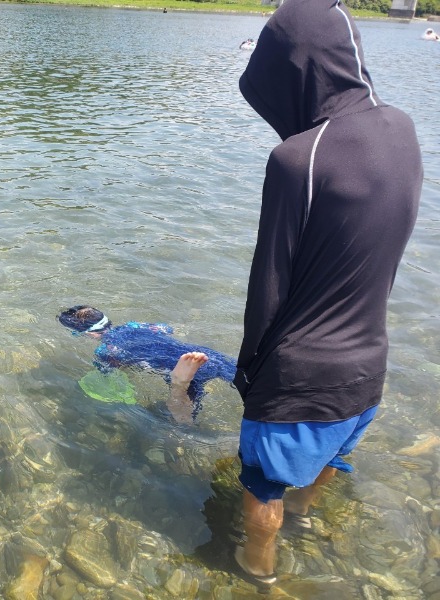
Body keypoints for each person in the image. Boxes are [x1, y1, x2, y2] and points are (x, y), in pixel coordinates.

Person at [232, 0, 422, 587]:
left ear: (293, 68)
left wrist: (249, 376)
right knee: (332, 458)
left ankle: (254, 571)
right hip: (369, 365)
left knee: (261, 483)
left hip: (300, 375)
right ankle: (306, 520)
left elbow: (269, 283)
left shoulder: (297, 158)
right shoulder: (403, 129)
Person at [58, 305, 235, 421]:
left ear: (89, 334)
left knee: (180, 421)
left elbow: (109, 374)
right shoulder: (134, 325)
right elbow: (167, 329)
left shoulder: (105, 351)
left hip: (181, 371)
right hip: (204, 354)